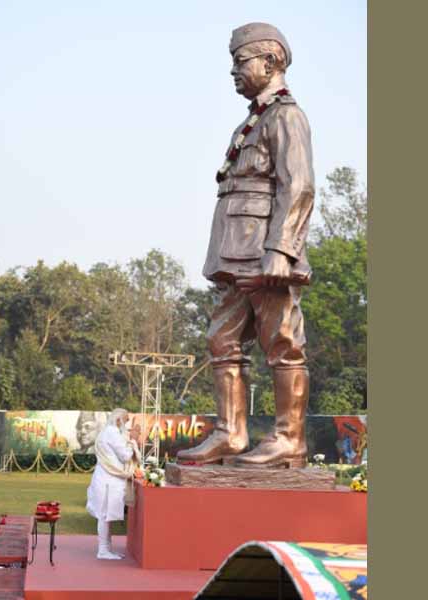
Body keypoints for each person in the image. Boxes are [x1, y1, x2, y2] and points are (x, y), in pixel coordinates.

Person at [177, 23, 315, 468]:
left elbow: (299, 187)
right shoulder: (252, 120)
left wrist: (282, 249)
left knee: (283, 340)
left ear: (270, 62)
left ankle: (287, 439)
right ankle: (230, 433)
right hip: (235, 253)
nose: (234, 71)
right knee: (222, 339)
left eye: (241, 61)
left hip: (265, 253)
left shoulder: (286, 116)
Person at [85, 408, 141, 560]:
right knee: (104, 515)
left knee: (106, 516)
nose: (127, 425)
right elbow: (125, 456)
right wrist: (134, 439)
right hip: (108, 480)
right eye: (126, 420)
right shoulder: (112, 432)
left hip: (106, 479)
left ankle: (107, 549)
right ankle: (103, 550)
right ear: (119, 420)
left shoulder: (107, 432)